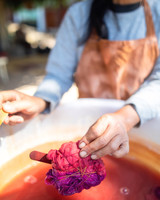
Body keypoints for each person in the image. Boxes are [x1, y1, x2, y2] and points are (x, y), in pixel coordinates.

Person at [0, 0, 160, 160]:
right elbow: (58, 74)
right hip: (87, 131)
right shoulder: (79, 13)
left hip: (141, 122)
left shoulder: (157, 12)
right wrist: (41, 100)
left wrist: (125, 118)